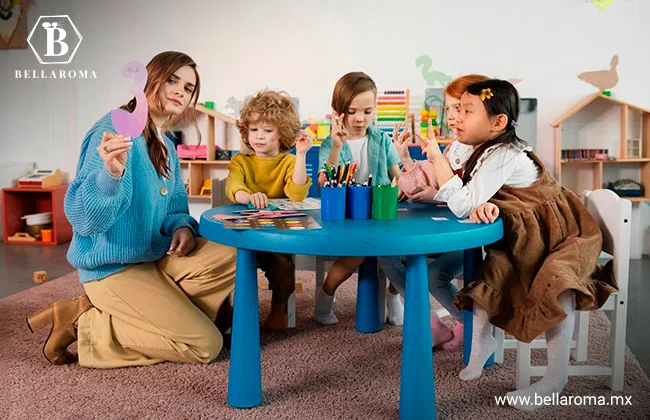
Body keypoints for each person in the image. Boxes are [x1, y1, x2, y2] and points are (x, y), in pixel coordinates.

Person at [26, 51, 237, 368]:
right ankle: (83, 324)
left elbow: (176, 205)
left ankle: (165, 317)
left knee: (235, 252)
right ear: (149, 80)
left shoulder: (165, 143)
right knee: (207, 344)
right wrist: (110, 175)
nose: (181, 90)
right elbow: (84, 219)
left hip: (153, 258)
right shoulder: (116, 128)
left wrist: (181, 226)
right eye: (172, 80)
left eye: (189, 87)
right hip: (114, 269)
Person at [419, 79, 616, 410]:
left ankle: (555, 380)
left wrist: (439, 163)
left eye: (467, 110)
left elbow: (464, 203)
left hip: (559, 233)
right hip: (525, 231)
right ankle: (481, 342)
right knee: (491, 273)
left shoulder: (504, 153)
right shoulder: (478, 149)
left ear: (497, 123)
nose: (457, 118)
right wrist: (482, 202)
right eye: (455, 110)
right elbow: (476, 195)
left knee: (555, 284)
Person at [378, 74, 490, 350]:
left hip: (474, 237)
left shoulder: (488, 152)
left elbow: (463, 195)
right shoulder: (455, 147)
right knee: (387, 251)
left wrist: (435, 195)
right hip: (447, 228)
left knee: (433, 275)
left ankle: (474, 327)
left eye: (462, 109)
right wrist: (404, 159)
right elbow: (424, 181)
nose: (452, 117)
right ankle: (428, 321)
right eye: (449, 109)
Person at [314, 71, 405, 326]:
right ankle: (324, 297)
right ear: (338, 111)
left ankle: (392, 297)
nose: (360, 119)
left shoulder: (381, 140)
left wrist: (407, 176)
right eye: (352, 111)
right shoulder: (330, 143)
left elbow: (398, 176)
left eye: (367, 111)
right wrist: (336, 147)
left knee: (400, 255)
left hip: (379, 214)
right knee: (355, 257)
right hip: (347, 216)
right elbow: (324, 181)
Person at [225, 89, 312, 331]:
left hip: (275, 235)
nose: (258, 136)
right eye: (254, 130)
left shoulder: (289, 162)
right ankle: (223, 310)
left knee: (283, 267)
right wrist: (248, 196)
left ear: (282, 133)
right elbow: (234, 186)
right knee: (220, 261)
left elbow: (297, 194)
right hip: (244, 234)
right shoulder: (241, 161)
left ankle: (279, 309)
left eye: (267, 130)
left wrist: (301, 155)